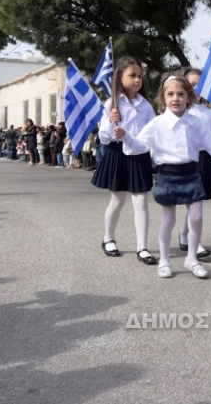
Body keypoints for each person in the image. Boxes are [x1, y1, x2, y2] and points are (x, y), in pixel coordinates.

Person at [121, 73, 211, 279]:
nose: (176, 98)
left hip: (192, 174)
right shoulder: (157, 124)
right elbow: (139, 145)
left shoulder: (196, 122)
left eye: (181, 94)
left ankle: (192, 258)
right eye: (171, 94)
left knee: (197, 217)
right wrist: (126, 137)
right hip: (168, 175)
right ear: (162, 98)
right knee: (168, 220)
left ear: (189, 98)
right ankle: (164, 260)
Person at [91, 56, 157, 266]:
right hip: (117, 153)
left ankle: (142, 247)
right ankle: (108, 238)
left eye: (139, 76)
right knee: (118, 200)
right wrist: (112, 123)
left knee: (141, 201)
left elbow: (152, 131)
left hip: (138, 154)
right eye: (132, 75)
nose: (137, 80)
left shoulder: (145, 105)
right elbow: (103, 136)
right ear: (120, 77)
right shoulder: (112, 102)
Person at [177, 68, 211, 260]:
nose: (196, 88)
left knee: (197, 201)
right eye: (192, 84)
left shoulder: (209, 112)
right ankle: (193, 241)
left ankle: (185, 236)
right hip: (188, 158)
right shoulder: (181, 111)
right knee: (193, 201)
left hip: (205, 158)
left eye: (199, 84)